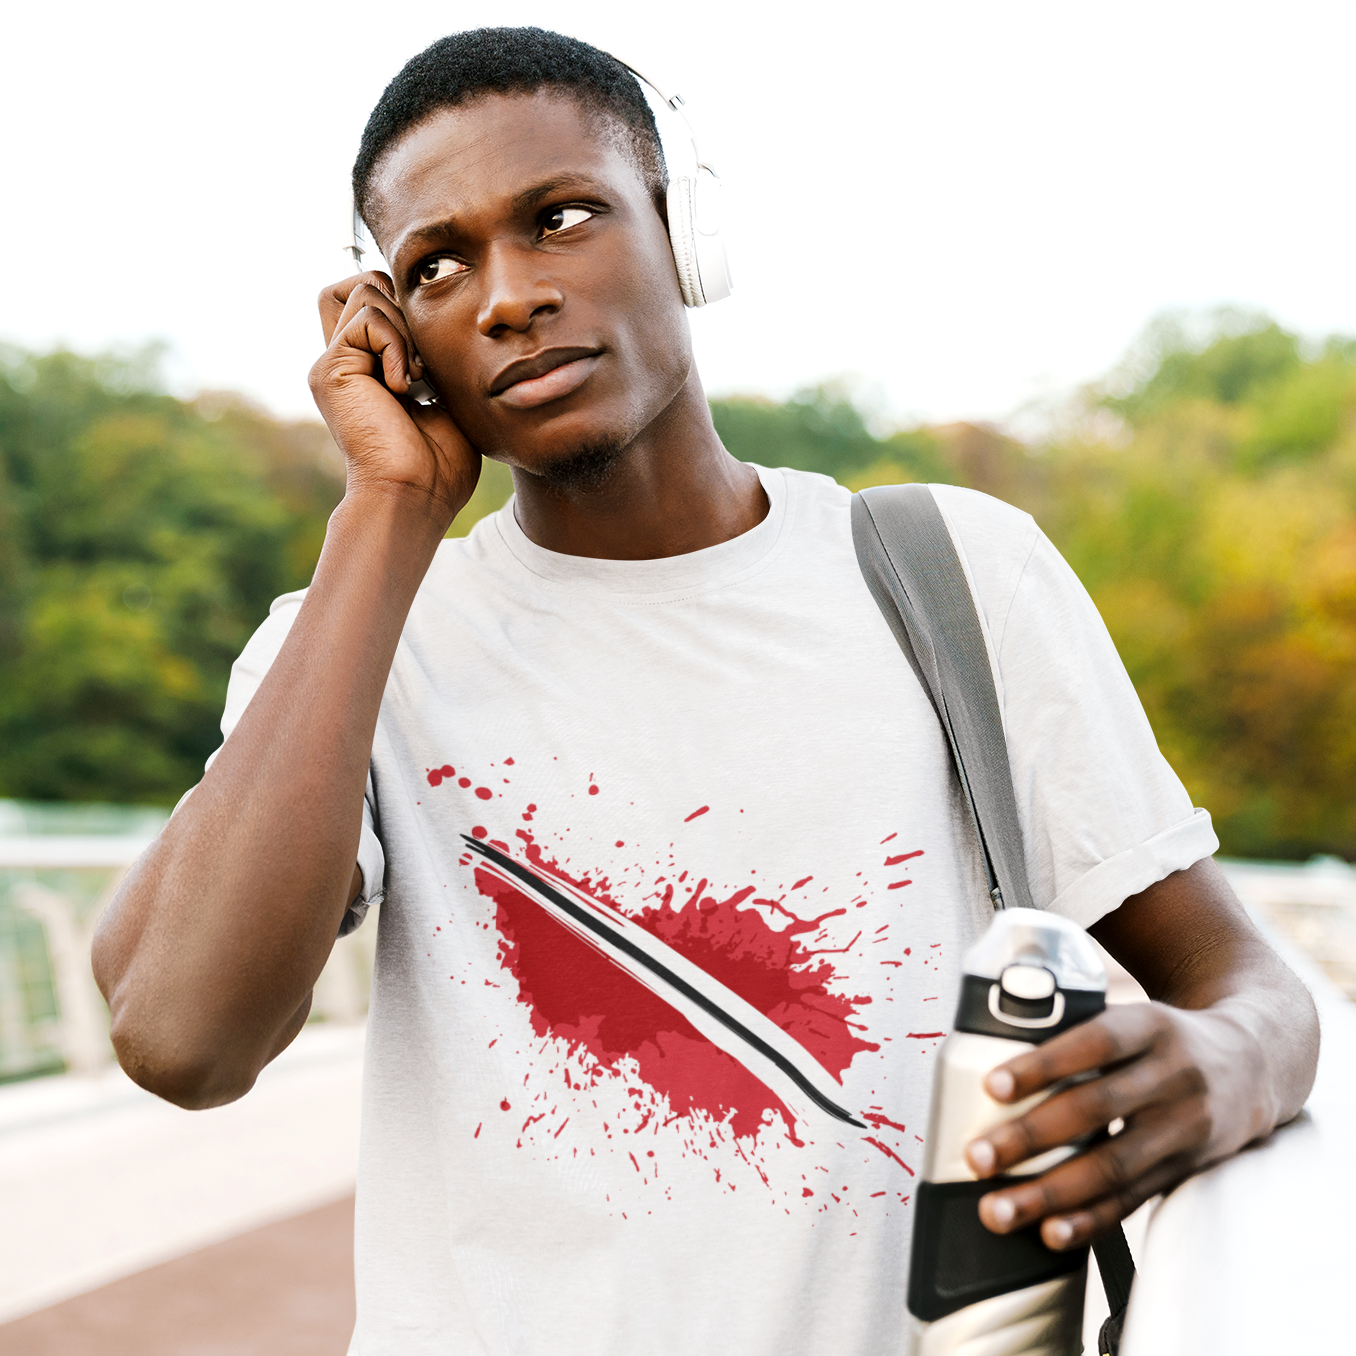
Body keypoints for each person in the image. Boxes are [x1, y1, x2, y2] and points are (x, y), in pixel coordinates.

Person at [92, 26, 1319, 1355]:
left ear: (686, 235)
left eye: (562, 218)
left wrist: (1228, 1065)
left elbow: (1246, 984)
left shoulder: (955, 576)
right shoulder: (358, 637)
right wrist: (388, 509)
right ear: (398, 334)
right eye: (437, 265)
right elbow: (182, 1039)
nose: (508, 296)